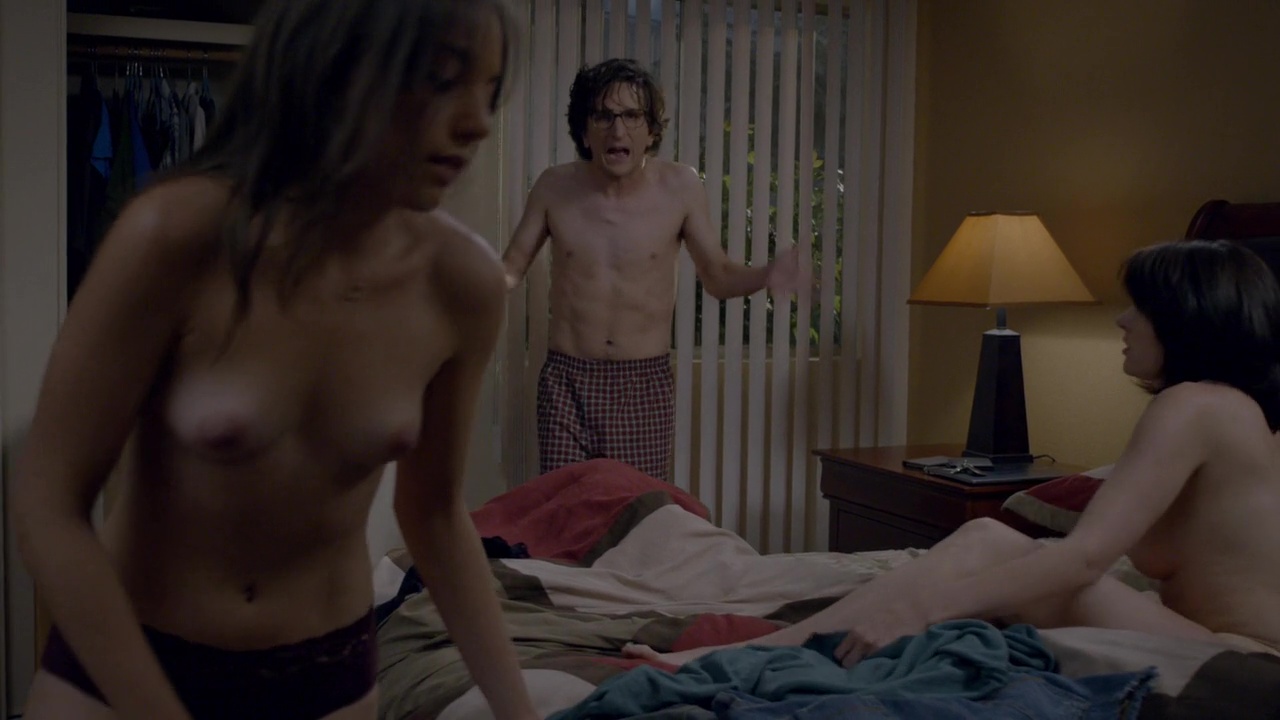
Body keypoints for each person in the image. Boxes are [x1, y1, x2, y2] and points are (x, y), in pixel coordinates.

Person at [12, 1, 540, 719]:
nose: (477, 121)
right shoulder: (175, 236)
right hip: (133, 665)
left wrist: (518, 710)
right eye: (444, 80)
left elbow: (436, 511)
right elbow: (48, 499)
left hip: (326, 674)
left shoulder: (463, 284)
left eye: (490, 90)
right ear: (336, 68)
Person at [627, 239, 1280, 667]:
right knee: (990, 542)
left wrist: (921, 607)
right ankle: (772, 649)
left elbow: (1084, 557)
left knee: (992, 547)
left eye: (1139, 307)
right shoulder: (1229, 411)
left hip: (1240, 661)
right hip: (1209, 639)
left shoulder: (1195, 407)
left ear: (1186, 316)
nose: (1121, 320)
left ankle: (760, 654)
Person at [501, 58, 804, 482]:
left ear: (651, 131)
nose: (617, 130)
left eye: (631, 116)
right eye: (603, 116)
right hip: (566, 381)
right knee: (566, 511)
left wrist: (767, 274)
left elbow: (717, 276)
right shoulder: (554, 186)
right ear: (585, 131)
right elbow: (510, 269)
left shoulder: (680, 187)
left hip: (642, 384)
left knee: (637, 513)